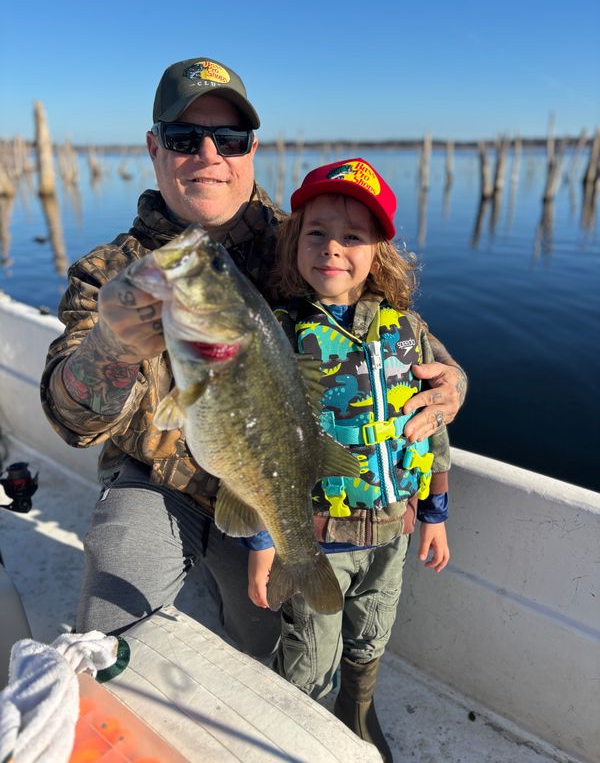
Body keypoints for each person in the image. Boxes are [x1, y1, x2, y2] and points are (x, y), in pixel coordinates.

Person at [39, 56, 466, 661]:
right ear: (154, 147)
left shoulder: (303, 240)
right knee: (113, 627)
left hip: (274, 485)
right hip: (161, 483)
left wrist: (451, 379)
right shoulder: (110, 273)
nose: (209, 154)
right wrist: (113, 345)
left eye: (229, 138)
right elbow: (71, 422)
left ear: (252, 149)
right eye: (184, 137)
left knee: (263, 639)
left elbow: (384, 322)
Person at [246, 158, 451, 762]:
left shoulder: (408, 330)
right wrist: (261, 540)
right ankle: (300, 733)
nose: (332, 247)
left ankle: (358, 714)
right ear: (294, 242)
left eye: (353, 236)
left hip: (393, 531)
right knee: (310, 652)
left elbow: (434, 430)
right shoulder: (278, 332)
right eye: (317, 232)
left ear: (378, 252)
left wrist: (434, 513)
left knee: (371, 636)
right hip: (314, 541)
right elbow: (261, 450)